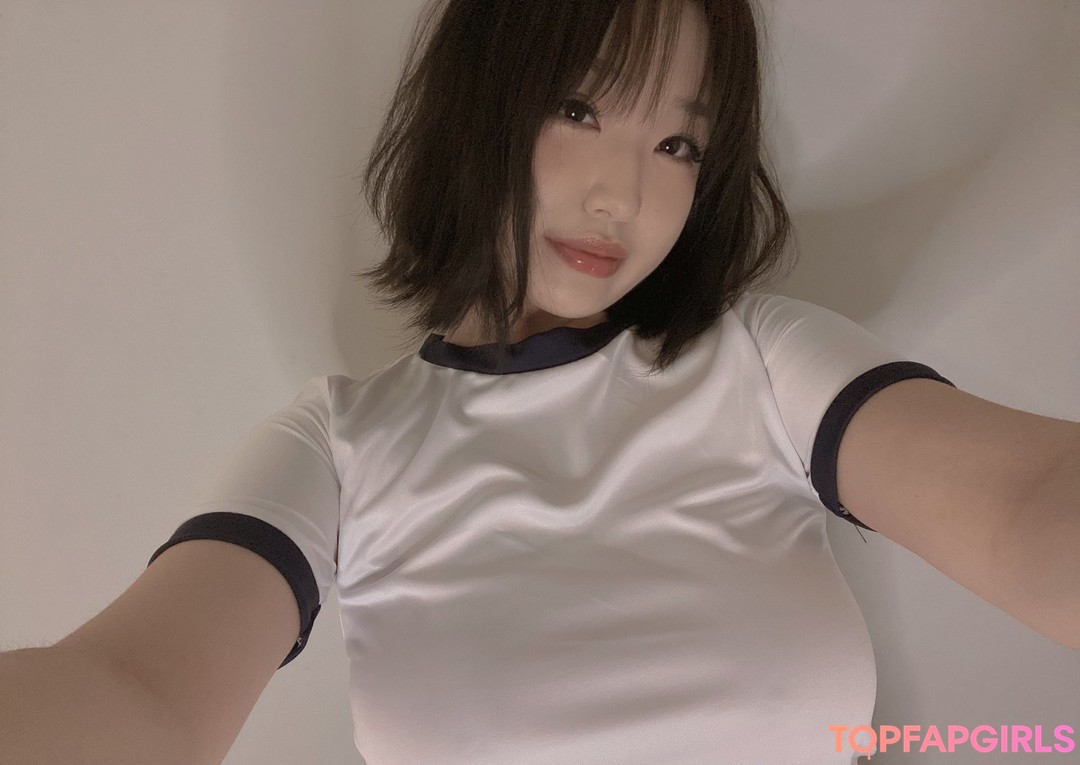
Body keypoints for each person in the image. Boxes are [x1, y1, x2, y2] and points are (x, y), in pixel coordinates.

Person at [2, 1, 1077, 763]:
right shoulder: (340, 447)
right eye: (579, 108)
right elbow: (138, 688)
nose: (624, 197)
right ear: (479, 108)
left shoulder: (764, 361)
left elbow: (1026, 501)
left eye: (678, 145)